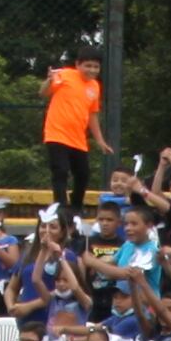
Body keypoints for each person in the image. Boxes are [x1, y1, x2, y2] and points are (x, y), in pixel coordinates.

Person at [43, 37, 114, 216]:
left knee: (82, 174)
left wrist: (100, 140)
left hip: (78, 139)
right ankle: (60, 207)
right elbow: (43, 92)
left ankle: (75, 208)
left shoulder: (95, 87)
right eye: (87, 65)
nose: (92, 70)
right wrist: (49, 80)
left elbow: (92, 115)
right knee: (61, 171)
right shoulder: (65, 75)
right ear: (78, 65)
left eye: (95, 66)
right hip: (57, 134)